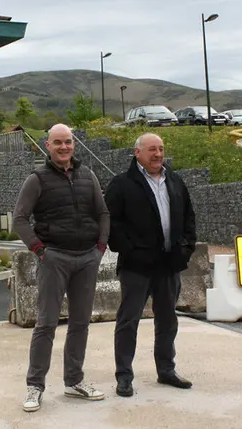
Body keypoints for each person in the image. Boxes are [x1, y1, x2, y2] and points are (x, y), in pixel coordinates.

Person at [12, 123, 110, 412]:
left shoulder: (87, 175)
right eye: (58, 143)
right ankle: (35, 386)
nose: (64, 147)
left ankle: (74, 380)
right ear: (48, 145)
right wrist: (40, 251)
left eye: (68, 142)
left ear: (73, 144)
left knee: (80, 323)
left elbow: (103, 212)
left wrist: (100, 248)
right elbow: (20, 218)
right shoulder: (37, 179)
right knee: (46, 324)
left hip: (87, 259)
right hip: (54, 258)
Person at [103, 132, 197, 397]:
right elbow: (112, 223)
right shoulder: (122, 184)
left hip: (169, 265)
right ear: (137, 153)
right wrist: (131, 250)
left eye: (161, 149)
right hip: (136, 267)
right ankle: (124, 376)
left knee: (168, 321)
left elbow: (189, 218)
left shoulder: (175, 181)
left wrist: (186, 249)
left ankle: (166, 370)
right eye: (152, 149)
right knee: (128, 321)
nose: (158, 154)